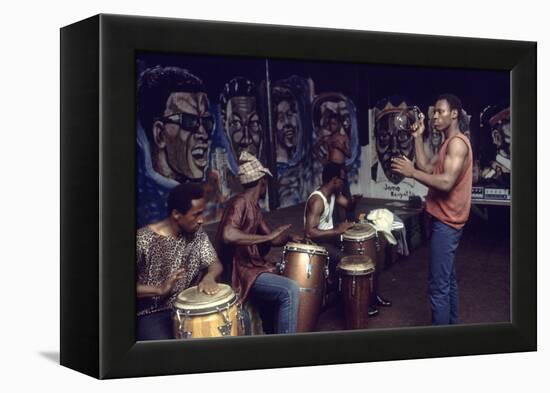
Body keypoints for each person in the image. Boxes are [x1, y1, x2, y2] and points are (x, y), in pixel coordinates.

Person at [391, 93, 473, 325]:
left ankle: (441, 344)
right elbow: (427, 167)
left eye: (440, 111)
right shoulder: (448, 142)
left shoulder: (457, 143)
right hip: (444, 220)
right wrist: (418, 137)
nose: (435, 116)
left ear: (454, 114)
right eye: (434, 112)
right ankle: (452, 330)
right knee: (448, 281)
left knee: (438, 288)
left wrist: (412, 173)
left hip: (447, 223)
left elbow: (446, 182)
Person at [215, 152, 301, 334]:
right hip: (240, 272)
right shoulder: (239, 202)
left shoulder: (254, 207)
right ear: (262, 183)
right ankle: (289, 349)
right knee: (290, 290)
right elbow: (228, 235)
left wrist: (288, 238)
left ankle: (272, 334)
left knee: (281, 273)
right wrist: (266, 238)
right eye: (266, 184)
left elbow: (272, 237)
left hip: (251, 268)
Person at [136, 183, 223, 341]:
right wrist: (159, 290)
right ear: (176, 214)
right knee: (168, 352)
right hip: (152, 314)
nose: (201, 220)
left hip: (187, 309)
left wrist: (209, 277)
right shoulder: (143, 240)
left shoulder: (197, 234)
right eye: (196, 214)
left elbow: (214, 263)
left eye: (202, 214)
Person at [303, 163, 388, 316]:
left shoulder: (334, 194)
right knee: (351, 261)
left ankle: (372, 296)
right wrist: (337, 230)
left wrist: (354, 201)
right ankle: (357, 303)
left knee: (370, 251)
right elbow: (309, 233)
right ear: (335, 180)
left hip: (331, 239)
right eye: (342, 179)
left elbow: (348, 206)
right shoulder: (317, 201)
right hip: (318, 245)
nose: (344, 182)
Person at [136, 65, 214, 227]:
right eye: (189, 121)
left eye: (206, 122)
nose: (203, 134)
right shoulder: (145, 201)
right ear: (160, 134)